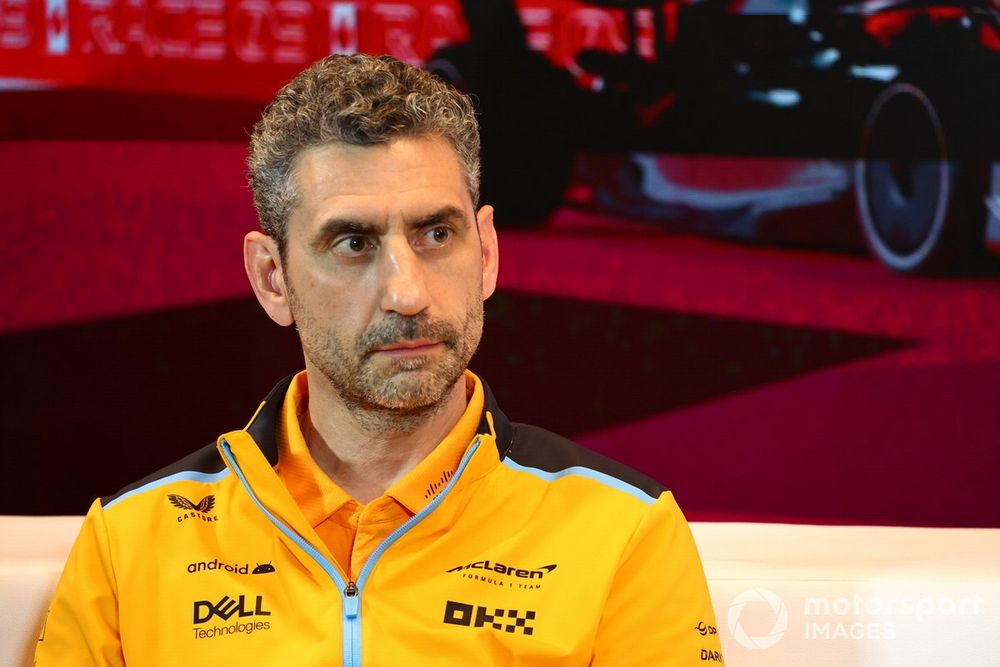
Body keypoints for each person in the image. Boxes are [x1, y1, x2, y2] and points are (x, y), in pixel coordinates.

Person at [37, 54, 723, 666]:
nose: (406, 292)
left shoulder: (624, 531)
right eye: (353, 243)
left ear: (486, 252)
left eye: (436, 234)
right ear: (273, 279)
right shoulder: (130, 542)